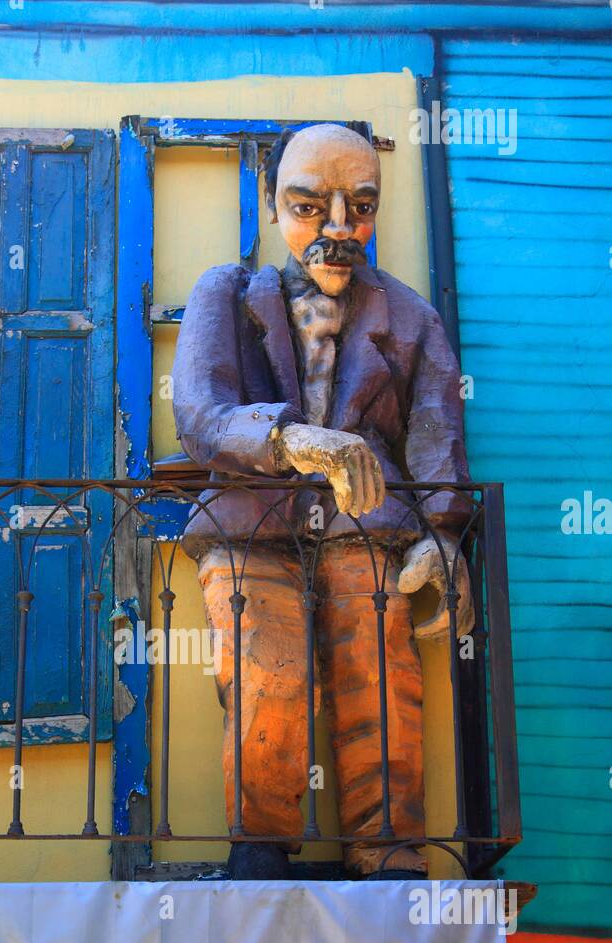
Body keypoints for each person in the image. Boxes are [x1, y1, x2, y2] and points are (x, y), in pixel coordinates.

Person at [172, 122, 474, 879]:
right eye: (311, 207)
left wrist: (440, 535)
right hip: (251, 524)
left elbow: (435, 435)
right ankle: (262, 844)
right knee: (263, 671)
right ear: (273, 206)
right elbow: (199, 415)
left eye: (359, 207)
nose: (338, 229)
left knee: (381, 670)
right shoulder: (226, 292)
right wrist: (291, 438)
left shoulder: (410, 319)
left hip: (364, 531)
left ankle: (389, 846)